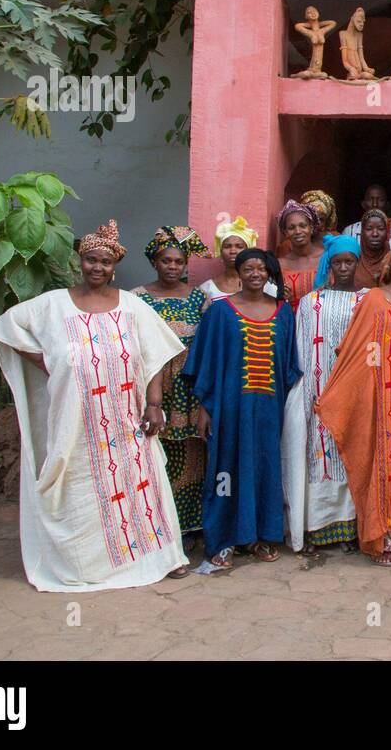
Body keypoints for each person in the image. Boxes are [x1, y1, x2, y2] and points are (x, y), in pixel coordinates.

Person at [0, 220, 189, 591]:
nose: (98, 267)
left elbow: (153, 355)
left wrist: (154, 404)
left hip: (127, 420)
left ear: (115, 267)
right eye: (92, 260)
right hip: (76, 423)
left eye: (106, 263)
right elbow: (7, 327)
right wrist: (50, 363)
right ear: (81, 261)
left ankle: (163, 556)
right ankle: (84, 566)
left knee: (142, 484)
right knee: (80, 485)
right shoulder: (52, 305)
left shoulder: (132, 306)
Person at [317, 241, 391, 566]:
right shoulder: (373, 299)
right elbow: (358, 348)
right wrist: (356, 390)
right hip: (382, 398)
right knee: (382, 467)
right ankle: (381, 539)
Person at [183, 248, 300, 570]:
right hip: (229, 409)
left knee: (264, 470)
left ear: (269, 273)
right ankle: (224, 539)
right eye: (248, 268)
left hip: (267, 411)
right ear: (239, 271)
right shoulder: (220, 312)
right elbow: (205, 364)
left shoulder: (283, 312)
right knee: (226, 473)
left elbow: (290, 365)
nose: (255, 274)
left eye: (261, 269)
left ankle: (260, 536)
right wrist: (206, 409)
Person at [281, 236, 368, 557]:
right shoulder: (310, 302)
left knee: (350, 457)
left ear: (357, 263)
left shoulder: (367, 300)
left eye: (349, 262)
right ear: (328, 265)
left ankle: (349, 527)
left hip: (354, 395)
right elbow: (302, 350)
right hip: (316, 395)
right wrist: (305, 396)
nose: (343, 268)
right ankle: (316, 527)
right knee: (319, 457)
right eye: (337, 262)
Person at [131, 226, 214, 550]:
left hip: (190, 387)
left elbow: (208, 344)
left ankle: (190, 525)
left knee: (193, 455)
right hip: (154, 385)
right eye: (166, 260)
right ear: (155, 262)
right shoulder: (138, 298)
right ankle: (157, 523)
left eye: (179, 261)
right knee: (156, 454)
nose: (172, 267)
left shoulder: (199, 297)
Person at [198, 216, 260, 306]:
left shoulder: (261, 284)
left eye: (239, 246)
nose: (233, 251)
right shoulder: (207, 289)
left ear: (248, 251)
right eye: (227, 246)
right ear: (220, 251)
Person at [276, 199, 324, 310]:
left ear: (311, 228)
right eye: (291, 228)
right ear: (285, 232)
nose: (298, 231)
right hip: (291, 323)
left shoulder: (326, 258)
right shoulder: (279, 265)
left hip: (321, 323)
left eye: (303, 226)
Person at [342, 184, 391, 249]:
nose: (375, 204)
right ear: (363, 204)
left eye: (381, 200)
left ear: (387, 205)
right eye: (370, 199)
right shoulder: (349, 232)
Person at [354, 207, 391, 289]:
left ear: (387, 232)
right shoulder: (353, 260)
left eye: (380, 228)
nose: (375, 234)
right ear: (362, 232)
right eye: (369, 228)